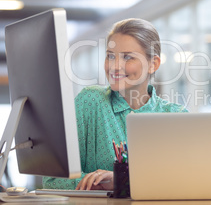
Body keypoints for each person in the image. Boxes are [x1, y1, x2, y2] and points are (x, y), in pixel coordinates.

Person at [42, 18, 187, 190]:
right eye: (110, 56)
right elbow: (52, 181)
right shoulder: (90, 102)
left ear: (152, 64)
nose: (114, 66)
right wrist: (102, 184)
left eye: (128, 57)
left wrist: (122, 181)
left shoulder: (175, 116)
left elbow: (184, 181)